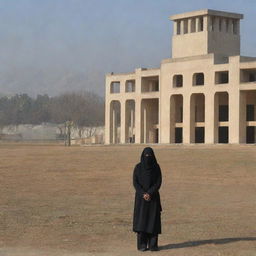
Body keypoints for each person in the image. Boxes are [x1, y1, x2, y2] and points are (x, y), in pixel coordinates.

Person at [132, 147, 162, 251]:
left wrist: (150, 193)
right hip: (141, 199)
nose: (148, 157)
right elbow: (135, 182)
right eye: (146, 155)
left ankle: (153, 245)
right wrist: (143, 194)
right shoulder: (138, 167)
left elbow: (158, 182)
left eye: (150, 155)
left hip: (153, 199)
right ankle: (142, 245)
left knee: (153, 221)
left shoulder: (156, 167)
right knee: (142, 221)